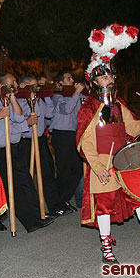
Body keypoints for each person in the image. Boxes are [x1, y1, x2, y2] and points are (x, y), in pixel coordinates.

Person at [78, 23, 140, 263]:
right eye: (104, 76)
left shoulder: (119, 104)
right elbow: (85, 144)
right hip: (101, 165)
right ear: (94, 81)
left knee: (139, 199)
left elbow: (133, 129)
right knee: (104, 207)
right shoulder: (89, 108)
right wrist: (98, 167)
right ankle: (107, 250)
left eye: (111, 74)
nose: (109, 79)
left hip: (123, 162)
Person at [0, 72, 54, 236]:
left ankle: (34, 218)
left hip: (12, 146)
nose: (0, 86)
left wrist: (13, 98)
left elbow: (17, 117)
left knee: (25, 182)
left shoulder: (1, 100)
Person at [18, 74, 68, 216]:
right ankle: (34, 210)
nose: (36, 89)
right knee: (28, 177)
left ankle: (54, 206)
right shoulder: (20, 101)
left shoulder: (39, 100)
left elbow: (49, 113)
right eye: (33, 86)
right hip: (26, 141)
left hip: (40, 139)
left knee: (47, 172)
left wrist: (46, 95)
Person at [50, 71, 85, 212]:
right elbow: (67, 109)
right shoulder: (57, 96)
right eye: (68, 78)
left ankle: (63, 199)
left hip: (73, 134)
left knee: (76, 169)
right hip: (61, 134)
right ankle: (57, 203)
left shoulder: (75, 95)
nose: (72, 80)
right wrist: (76, 93)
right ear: (61, 82)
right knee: (64, 170)